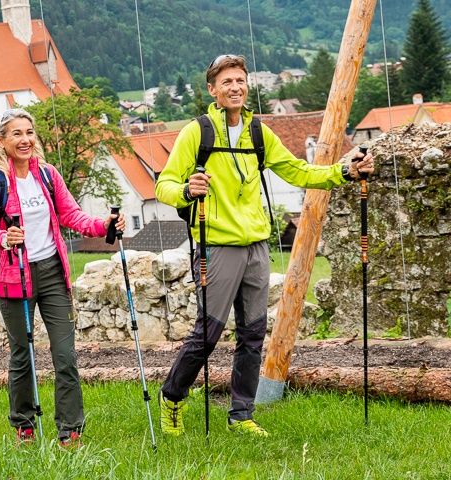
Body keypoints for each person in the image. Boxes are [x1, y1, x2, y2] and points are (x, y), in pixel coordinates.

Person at [155, 54, 373, 437]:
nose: (235, 87)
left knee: (253, 335)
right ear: (212, 89)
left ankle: (241, 415)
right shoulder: (197, 132)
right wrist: (187, 190)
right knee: (207, 334)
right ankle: (172, 396)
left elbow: (298, 170)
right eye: (227, 82)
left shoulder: (258, 132)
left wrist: (343, 170)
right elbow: (164, 185)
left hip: (257, 244)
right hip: (217, 245)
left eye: (240, 80)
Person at [0, 108, 123, 447]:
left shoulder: (47, 174)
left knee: (65, 355)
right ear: (1, 140)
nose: (25, 139)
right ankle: (24, 426)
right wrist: (3, 237)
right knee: (22, 355)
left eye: (29, 132)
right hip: (15, 275)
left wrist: (103, 225)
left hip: (53, 272)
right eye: (16, 133)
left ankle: (70, 430)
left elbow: (72, 215)